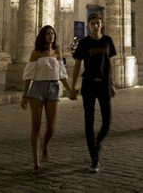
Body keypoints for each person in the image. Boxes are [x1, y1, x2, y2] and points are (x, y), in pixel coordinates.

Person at [21, 25, 75, 174]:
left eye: (52, 33)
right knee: (36, 126)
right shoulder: (36, 54)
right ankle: (36, 162)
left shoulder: (57, 53)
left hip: (53, 89)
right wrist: (24, 96)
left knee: (51, 128)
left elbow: (62, 74)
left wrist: (70, 90)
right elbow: (28, 76)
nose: (50, 35)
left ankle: (44, 145)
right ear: (42, 36)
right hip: (37, 89)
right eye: (47, 33)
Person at [71, 13, 117, 173]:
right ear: (89, 25)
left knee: (107, 121)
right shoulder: (84, 42)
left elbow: (110, 64)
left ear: (101, 24)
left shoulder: (107, 40)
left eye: (98, 23)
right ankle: (94, 158)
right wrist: (72, 86)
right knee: (88, 121)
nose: (95, 25)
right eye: (92, 23)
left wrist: (111, 83)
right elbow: (77, 65)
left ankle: (98, 142)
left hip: (104, 84)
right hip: (88, 84)